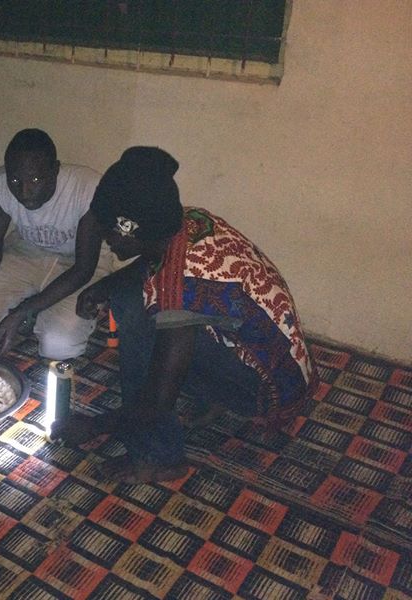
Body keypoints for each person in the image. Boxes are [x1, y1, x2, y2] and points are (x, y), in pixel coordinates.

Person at [56, 147, 318, 483]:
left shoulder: (180, 287)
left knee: (142, 321)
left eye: (105, 230)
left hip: (264, 392)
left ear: (126, 230)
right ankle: (211, 393)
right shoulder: (187, 222)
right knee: (128, 295)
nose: (104, 240)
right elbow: (150, 262)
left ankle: (158, 458)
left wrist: (94, 425)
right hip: (282, 368)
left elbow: (158, 401)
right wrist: (107, 283)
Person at [0, 129, 112, 359]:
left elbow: (84, 268)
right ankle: (36, 312)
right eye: (15, 180)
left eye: (35, 180)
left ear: (55, 170)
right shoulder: (3, 184)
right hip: (26, 249)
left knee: (58, 346)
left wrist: (22, 312)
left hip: (78, 261)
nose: (24, 191)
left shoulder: (87, 187)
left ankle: (37, 313)